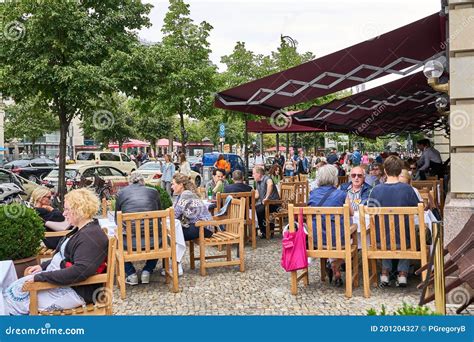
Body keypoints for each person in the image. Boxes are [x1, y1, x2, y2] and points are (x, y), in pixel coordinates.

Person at [4, 188, 108, 315]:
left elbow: (80, 271)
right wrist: (42, 267)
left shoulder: (90, 237)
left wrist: (41, 277)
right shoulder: (82, 230)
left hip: (77, 291)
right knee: (9, 293)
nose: (64, 214)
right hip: (68, 283)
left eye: (67, 209)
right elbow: (62, 256)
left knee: (11, 303)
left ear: (79, 210)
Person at [367, 156, 420, 287]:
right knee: (405, 233)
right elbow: (418, 210)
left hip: (380, 241)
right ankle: (402, 273)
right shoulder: (408, 189)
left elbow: (371, 213)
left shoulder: (376, 190)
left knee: (385, 230)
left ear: (385, 171)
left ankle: (385, 272)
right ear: (400, 170)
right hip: (405, 241)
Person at [115, 172, 162, 285]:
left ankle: (131, 273)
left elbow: (117, 220)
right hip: (154, 241)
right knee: (164, 238)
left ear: (130, 182)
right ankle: (147, 270)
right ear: (143, 182)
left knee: (115, 242)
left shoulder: (121, 193)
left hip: (129, 243)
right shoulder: (154, 192)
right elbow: (160, 214)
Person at [308, 165, 349, 287]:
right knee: (349, 240)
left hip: (316, 241)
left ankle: (333, 267)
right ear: (334, 178)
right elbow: (350, 212)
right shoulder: (342, 194)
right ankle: (336, 267)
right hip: (337, 241)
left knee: (328, 231)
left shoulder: (312, 194)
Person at [172, 173, 213, 241]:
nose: (171, 187)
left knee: (173, 234)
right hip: (197, 225)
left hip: (204, 227)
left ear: (181, 185)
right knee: (172, 233)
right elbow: (174, 211)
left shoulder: (186, 194)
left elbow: (175, 214)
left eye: (173, 184)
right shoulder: (180, 195)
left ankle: (175, 251)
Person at [253, 166, 280, 239]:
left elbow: (270, 184)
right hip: (266, 204)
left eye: (254, 173)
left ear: (259, 174)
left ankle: (266, 231)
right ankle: (264, 231)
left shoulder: (266, 178)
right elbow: (257, 195)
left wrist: (267, 197)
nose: (252, 175)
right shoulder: (257, 182)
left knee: (259, 210)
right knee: (255, 209)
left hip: (274, 203)